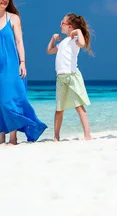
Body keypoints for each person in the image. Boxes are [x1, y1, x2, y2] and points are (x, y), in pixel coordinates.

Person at [0, 0, 47, 145]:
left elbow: (19, 42)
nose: (5, 0)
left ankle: (13, 138)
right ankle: (1, 140)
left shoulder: (13, 18)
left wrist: (23, 62)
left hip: (10, 66)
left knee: (8, 101)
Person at [46, 13, 94, 141]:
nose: (60, 25)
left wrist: (78, 31)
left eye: (62, 23)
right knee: (59, 108)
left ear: (70, 27)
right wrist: (53, 39)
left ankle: (87, 135)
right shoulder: (62, 43)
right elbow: (49, 51)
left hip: (72, 76)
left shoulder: (75, 41)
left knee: (79, 106)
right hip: (61, 78)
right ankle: (56, 136)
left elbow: (83, 43)